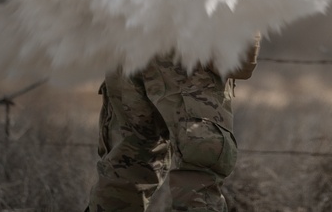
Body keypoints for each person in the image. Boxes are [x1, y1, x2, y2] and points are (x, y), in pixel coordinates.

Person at [85, 36, 260, 212]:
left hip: (128, 44)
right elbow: (241, 62)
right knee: (198, 175)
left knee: (124, 168)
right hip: (187, 57)